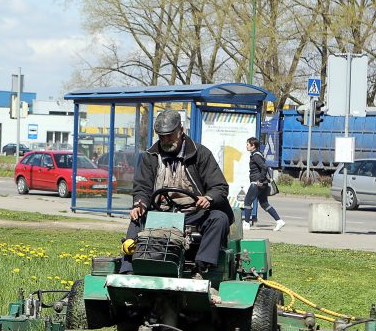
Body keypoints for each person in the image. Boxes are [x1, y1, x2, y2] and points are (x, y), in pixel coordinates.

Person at [121, 110, 233, 276]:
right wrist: (140, 204)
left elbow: (219, 187)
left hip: (194, 213)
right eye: (162, 136)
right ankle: (128, 270)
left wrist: (208, 198)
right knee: (136, 217)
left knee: (219, 218)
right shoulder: (150, 156)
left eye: (170, 135)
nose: (166, 140)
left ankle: (201, 268)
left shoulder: (200, 154)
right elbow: (142, 188)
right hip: (160, 213)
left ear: (181, 130)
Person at [243, 137, 285, 232]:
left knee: (247, 202)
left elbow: (264, 167)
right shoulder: (257, 154)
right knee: (264, 203)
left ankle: (246, 224)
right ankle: (279, 221)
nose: (246, 146)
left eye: (247, 144)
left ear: (253, 145)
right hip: (262, 183)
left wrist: (260, 180)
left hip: (257, 183)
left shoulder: (256, 156)